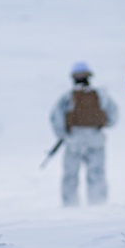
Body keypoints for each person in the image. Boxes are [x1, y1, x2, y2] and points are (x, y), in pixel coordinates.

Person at [50, 62, 118, 206]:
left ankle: (70, 205)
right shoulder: (101, 95)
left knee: (70, 175)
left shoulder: (67, 97)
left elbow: (56, 118)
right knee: (97, 173)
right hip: (96, 138)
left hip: (74, 140)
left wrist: (63, 135)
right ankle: (98, 203)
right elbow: (113, 117)